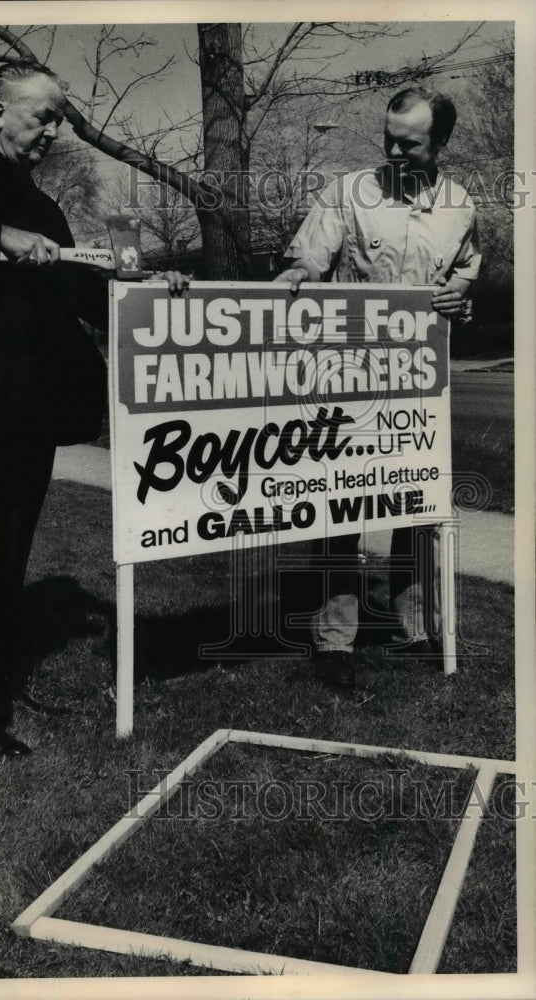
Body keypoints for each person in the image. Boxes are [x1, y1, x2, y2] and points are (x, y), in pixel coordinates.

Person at [0, 61, 188, 757]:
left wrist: (148, 294)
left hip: (29, 411)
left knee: (8, 553)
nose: (54, 129)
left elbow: (80, 296)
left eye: (59, 117)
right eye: (42, 114)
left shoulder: (44, 207)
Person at [277, 87, 481, 689]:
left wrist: (461, 296)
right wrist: (297, 273)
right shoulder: (347, 193)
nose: (393, 149)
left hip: (418, 381)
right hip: (347, 373)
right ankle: (335, 637)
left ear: (440, 142)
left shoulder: (461, 204)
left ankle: (416, 629)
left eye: (410, 142)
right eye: (388, 136)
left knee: (415, 504)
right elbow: (312, 257)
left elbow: (467, 267)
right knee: (342, 501)